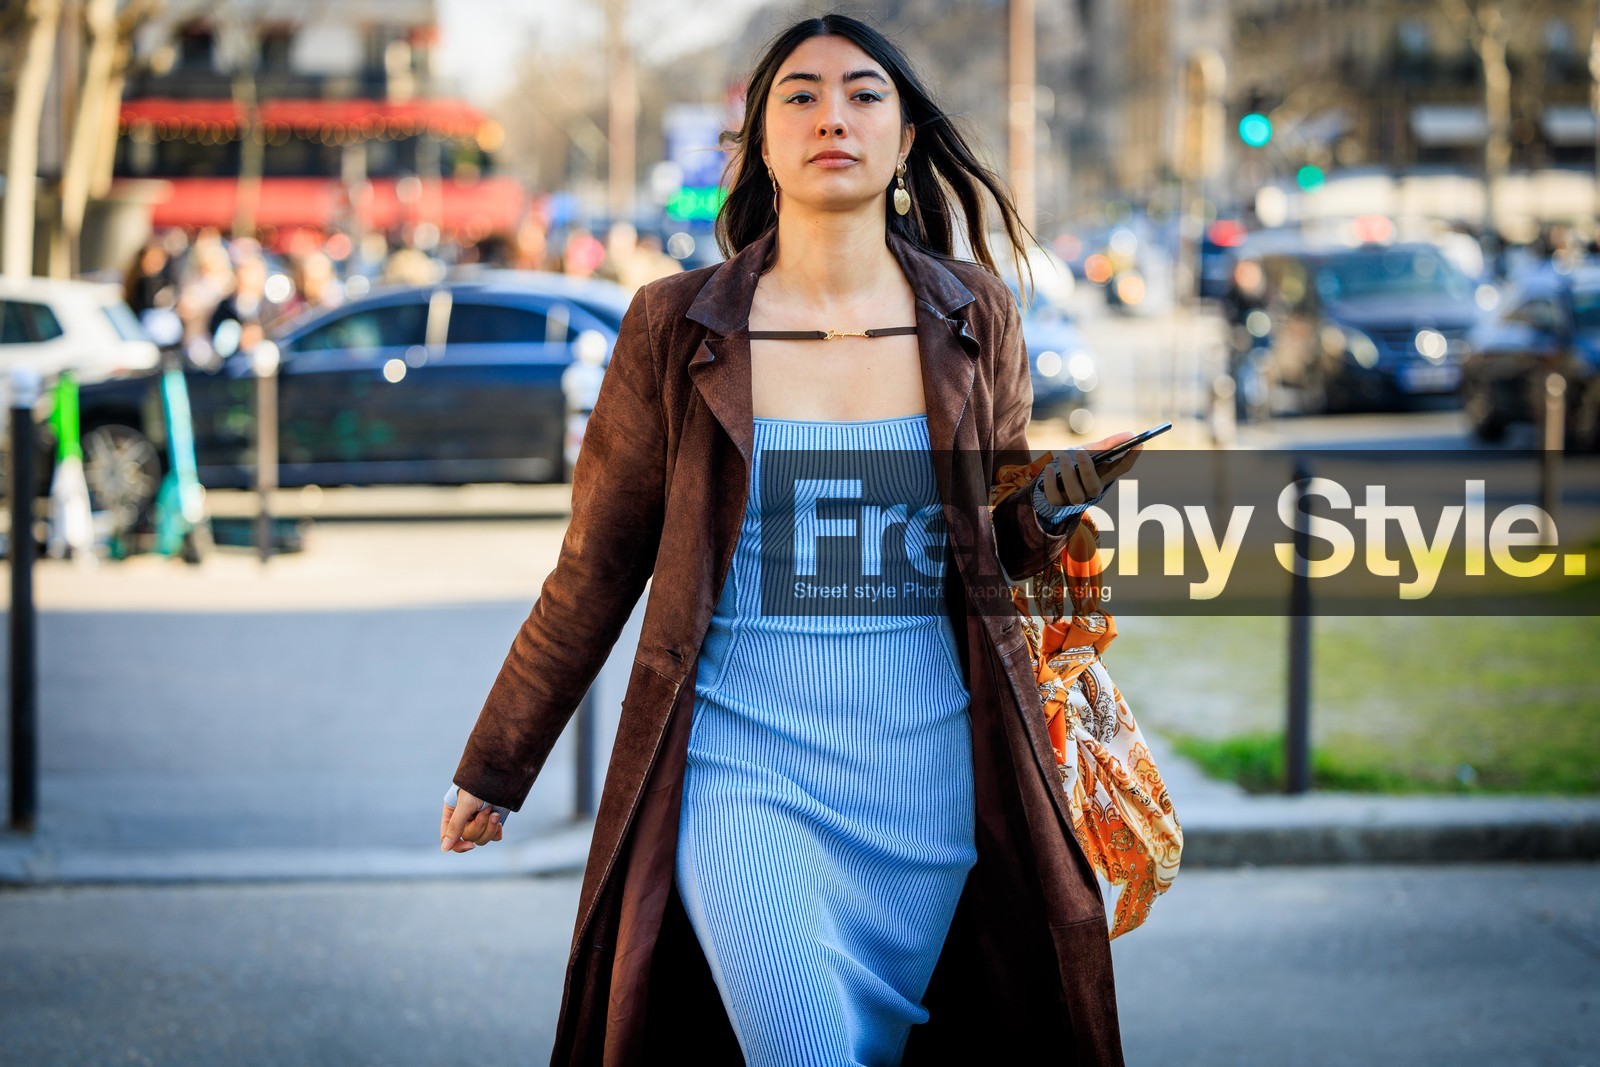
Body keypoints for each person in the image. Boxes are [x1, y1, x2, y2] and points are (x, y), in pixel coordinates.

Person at [440, 12, 1142, 1065]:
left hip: (932, 775)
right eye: (799, 96)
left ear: (905, 140)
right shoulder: (675, 327)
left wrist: (1055, 500)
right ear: (761, 144)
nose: (833, 116)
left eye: (865, 94)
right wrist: (496, 761)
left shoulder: (973, 315)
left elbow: (989, 546)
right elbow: (594, 566)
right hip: (742, 772)